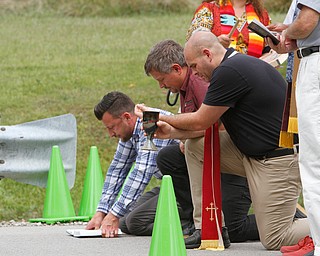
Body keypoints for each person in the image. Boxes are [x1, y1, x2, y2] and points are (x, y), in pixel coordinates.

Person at [136, 31, 310, 251]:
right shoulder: (231, 66)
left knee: (276, 237)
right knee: (195, 148)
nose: (194, 73)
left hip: (277, 159)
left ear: (207, 54)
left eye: (194, 66)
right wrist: (171, 132)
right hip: (250, 153)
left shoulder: (229, 72)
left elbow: (201, 120)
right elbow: (209, 129)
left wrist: (158, 116)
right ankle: (207, 229)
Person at [144, 39, 259, 248]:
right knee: (169, 157)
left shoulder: (199, 82)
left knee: (237, 229)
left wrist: (178, 131)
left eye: (161, 79)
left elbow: (219, 125)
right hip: (219, 152)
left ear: (177, 69)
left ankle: (287, 217)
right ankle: (199, 224)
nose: (161, 86)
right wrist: (182, 135)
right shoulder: (184, 87)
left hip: (237, 153)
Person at [86, 91, 178, 238]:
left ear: (127, 117)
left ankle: (189, 224)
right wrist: (101, 213)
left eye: (112, 127)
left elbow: (142, 172)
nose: (111, 134)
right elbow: (118, 169)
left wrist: (113, 215)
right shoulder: (129, 131)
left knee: (135, 222)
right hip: (173, 187)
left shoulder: (151, 122)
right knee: (124, 220)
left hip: (189, 188)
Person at [267, 1, 320, 255]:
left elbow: (308, 22)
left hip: (316, 62)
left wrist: (286, 33)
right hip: (309, 56)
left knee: (314, 164)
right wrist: (289, 31)